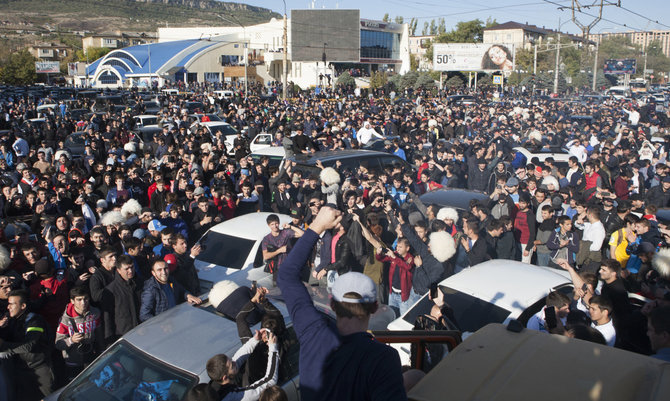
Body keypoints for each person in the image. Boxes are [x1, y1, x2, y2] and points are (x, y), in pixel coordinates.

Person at [278, 205, 407, 401]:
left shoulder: (312, 330)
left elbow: (286, 275)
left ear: (333, 303)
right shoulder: (383, 358)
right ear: (373, 308)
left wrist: (318, 225)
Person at [182, 330, 279, 401]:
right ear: (224, 377)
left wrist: (254, 340)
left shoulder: (211, 387)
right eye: (232, 365)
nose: (234, 362)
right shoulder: (234, 397)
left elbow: (236, 360)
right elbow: (270, 380)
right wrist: (273, 348)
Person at [0, 289, 53, 400]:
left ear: (23, 305)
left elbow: (30, 345)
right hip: (21, 370)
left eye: (12, 304)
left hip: (40, 369)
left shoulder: (34, 320)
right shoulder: (12, 320)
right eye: (8, 303)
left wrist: (4, 346)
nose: (8, 307)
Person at [55, 285, 104, 380]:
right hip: (73, 359)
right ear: (72, 301)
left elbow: (99, 334)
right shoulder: (64, 320)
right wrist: (71, 340)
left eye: (85, 299)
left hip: (90, 356)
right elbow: (58, 344)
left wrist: (102, 351)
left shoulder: (95, 313)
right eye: (79, 299)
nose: (83, 303)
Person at [101, 255, 141, 345]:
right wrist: (109, 342)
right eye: (126, 269)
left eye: (132, 267)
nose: (130, 271)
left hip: (141, 331)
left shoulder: (140, 284)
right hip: (123, 336)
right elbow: (107, 319)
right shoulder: (110, 291)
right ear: (118, 270)